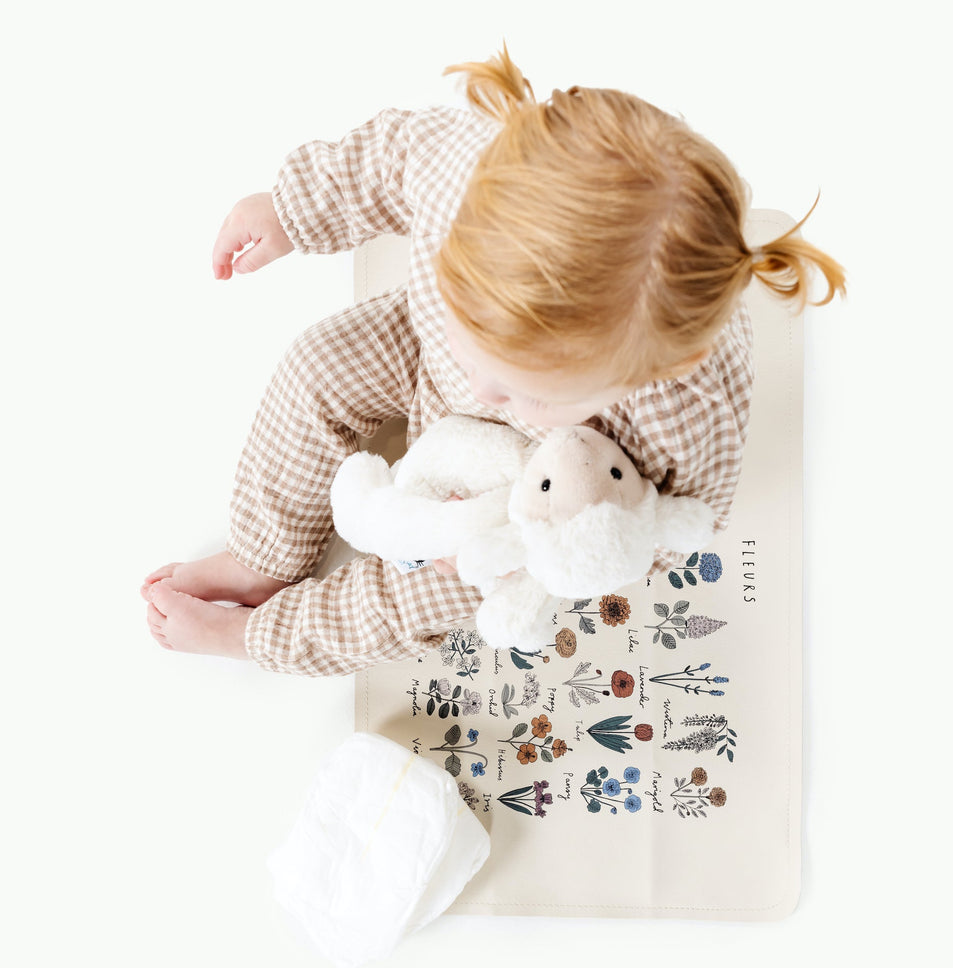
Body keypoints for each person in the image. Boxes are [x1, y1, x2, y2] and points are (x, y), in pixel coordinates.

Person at [141, 45, 845, 676]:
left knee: (426, 593)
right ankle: (263, 557)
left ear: (650, 373)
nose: (483, 387)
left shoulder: (683, 408)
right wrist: (291, 210)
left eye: (528, 389)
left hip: (535, 474)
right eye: (482, 357)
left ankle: (261, 636)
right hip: (423, 340)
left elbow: (665, 524)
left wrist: (548, 545)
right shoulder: (463, 167)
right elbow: (384, 159)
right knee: (315, 364)